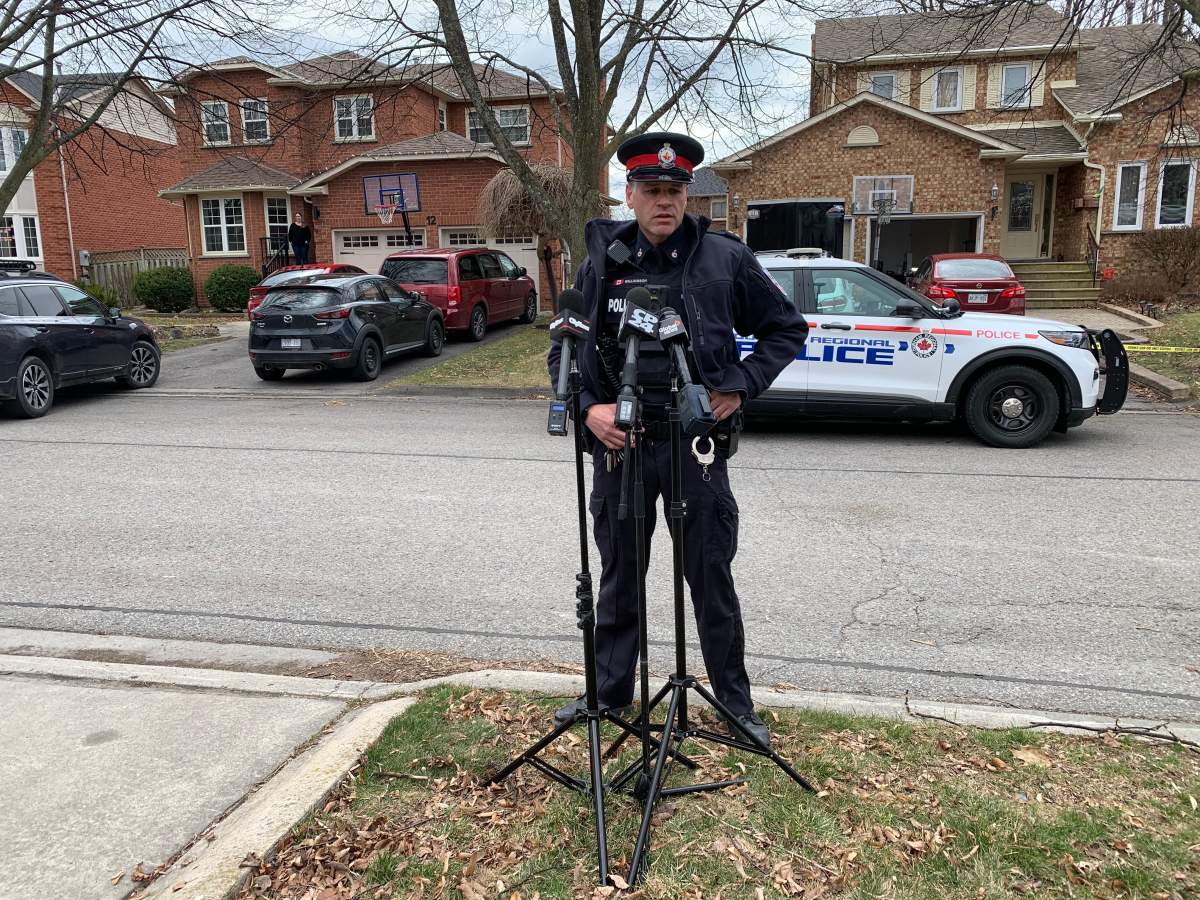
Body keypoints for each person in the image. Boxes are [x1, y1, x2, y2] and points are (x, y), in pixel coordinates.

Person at [547, 132, 808, 746]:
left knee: (710, 576)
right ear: (630, 195)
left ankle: (735, 704)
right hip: (623, 447)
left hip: (696, 443)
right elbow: (566, 349)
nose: (664, 201)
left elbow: (785, 329)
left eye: (675, 190)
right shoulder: (602, 261)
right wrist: (588, 410)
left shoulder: (724, 258)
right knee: (619, 578)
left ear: (688, 195)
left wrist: (739, 386)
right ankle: (610, 692)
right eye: (651, 190)